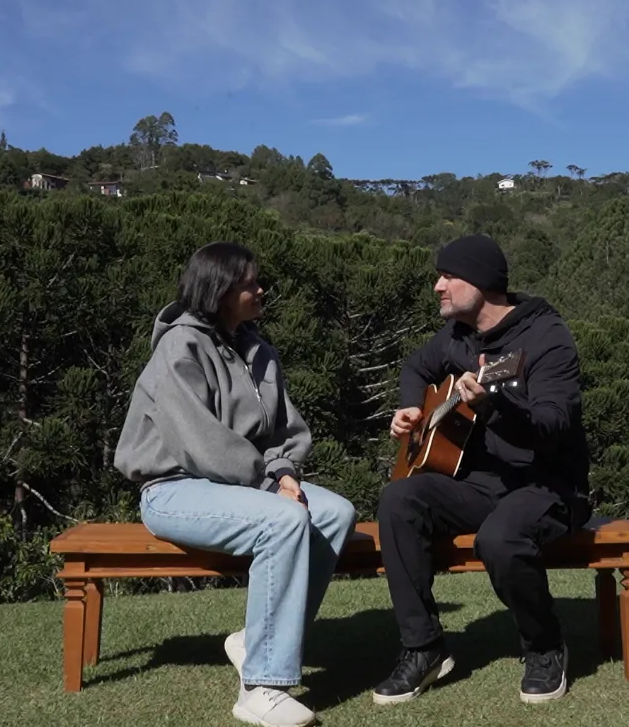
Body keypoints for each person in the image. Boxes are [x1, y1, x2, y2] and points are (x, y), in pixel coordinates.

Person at [113, 241, 357, 727]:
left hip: (242, 485)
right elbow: (200, 443)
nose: (261, 290)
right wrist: (271, 482)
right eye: (251, 284)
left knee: (336, 513)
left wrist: (284, 470)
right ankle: (261, 688)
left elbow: (284, 433)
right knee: (286, 520)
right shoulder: (178, 347)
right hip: (173, 488)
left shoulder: (259, 352)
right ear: (220, 290)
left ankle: (252, 641)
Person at [372, 233, 591, 705]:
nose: (437, 285)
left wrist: (494, 406)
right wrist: (411, 409)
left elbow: (553, 425)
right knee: (398, 499)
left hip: (548, 484)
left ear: (482, 282)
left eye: (448, 275)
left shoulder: (546, 337)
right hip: (482, 484)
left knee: (501, 538)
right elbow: (416, 367)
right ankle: (423, 647)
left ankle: (544, 645)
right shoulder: (458, 336)